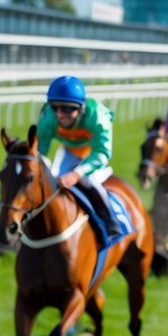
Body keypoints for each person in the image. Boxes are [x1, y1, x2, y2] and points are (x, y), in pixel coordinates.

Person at [35, 75, 123, 241]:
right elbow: (40, 152)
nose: (61, 114)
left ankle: (111, 223)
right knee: (51, 181)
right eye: (56, 108)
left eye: (68, 109)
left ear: (81, 108)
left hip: (93, 154)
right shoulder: (49, 117)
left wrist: (77, 174)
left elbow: (102, 153)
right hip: (70, 151)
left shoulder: (97, 116)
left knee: (88, 181)